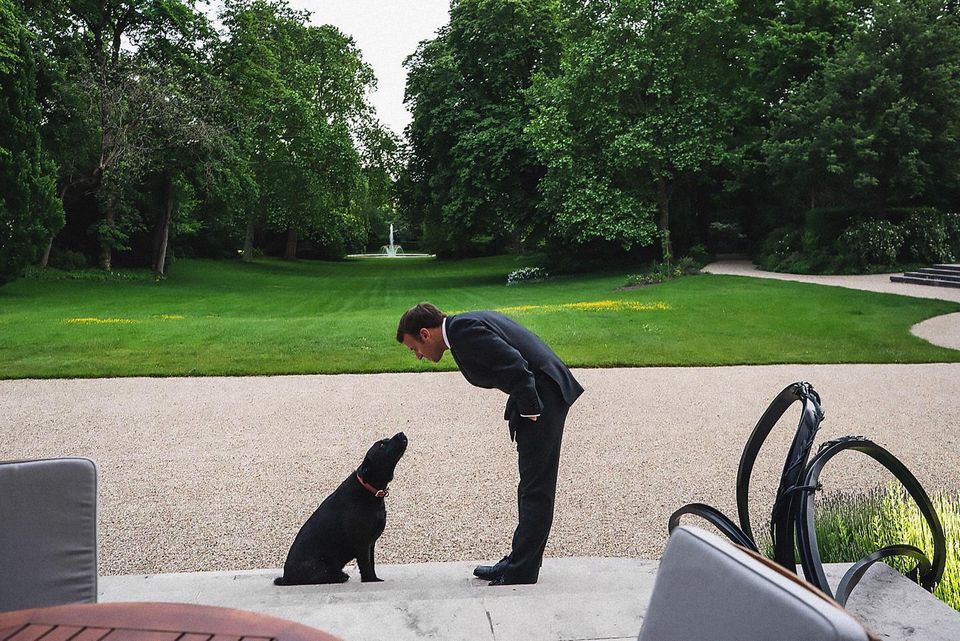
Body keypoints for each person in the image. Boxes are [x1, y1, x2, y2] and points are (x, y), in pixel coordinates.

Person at [396, 302, 584, 585]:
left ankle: (522, 570)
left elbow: (517, 366)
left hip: (544, 396)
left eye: (414, 348)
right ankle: (519, 559)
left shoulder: (464, 332)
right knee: (530, 485)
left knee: (536, 487)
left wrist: (531, 410)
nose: (418, 356)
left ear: (425, 333)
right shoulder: (464, 326)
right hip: (541, 393)